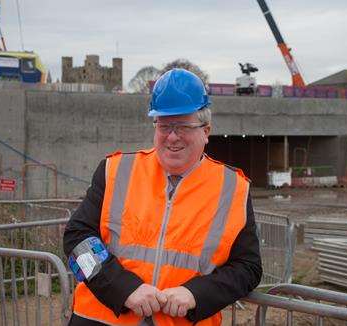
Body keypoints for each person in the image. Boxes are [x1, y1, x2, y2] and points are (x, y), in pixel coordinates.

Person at [63, 68, 262, 326]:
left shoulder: (233, 188)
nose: (172, 137)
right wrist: (123, 288)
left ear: (206, 131)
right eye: (164, 125)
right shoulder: (115, 171)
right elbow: (77, 240)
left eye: (183, 126)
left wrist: (196, 294)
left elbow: (247, 268)